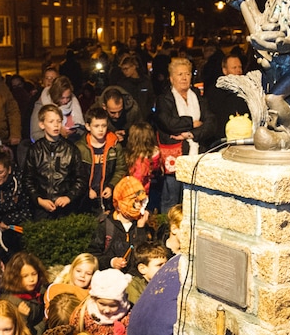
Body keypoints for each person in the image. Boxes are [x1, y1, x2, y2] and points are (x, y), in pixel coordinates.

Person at [154, 57, 216, 211]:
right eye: (180, 74)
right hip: (175, 156)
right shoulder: (164, 99)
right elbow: (168, 123)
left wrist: (190, 134)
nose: (184, 78)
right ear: (171, 78)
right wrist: (192, 123)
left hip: (198, 153)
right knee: (172, 199)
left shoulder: (198, 96)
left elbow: (211, 124)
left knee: (197, 199)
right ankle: (167, 226)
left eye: (187, 74)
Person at [24, 104, 83, 220]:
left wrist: (69, 197)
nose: (56, 125)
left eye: (59, 121)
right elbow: (27, 180)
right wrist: (39, 200)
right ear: (42, 124)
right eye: (51, 121)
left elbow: (81, 179)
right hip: (41, 209)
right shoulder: (35, 150)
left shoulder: (71, 149)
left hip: (66, 209)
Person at [89, 177, 153, 273]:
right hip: (110, 277)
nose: (139, 205)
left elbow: (145, 256)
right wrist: (111, 262)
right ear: (119, 205)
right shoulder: (106, 225)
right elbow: (93, 255)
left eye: (140, 201)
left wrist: (140, 229)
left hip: (134, 277)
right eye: (134, 202)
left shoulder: (143, 224)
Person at [76, 106, 125, 215]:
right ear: (88, 126)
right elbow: (76, 173)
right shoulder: (80, 148)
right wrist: (86, 189)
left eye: (104, 125)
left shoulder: (114, 146)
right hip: (85, 198)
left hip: (107, 196)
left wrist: (111, 186)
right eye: (96, 126)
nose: (101, 129)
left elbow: (120, 169)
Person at [0, 252, 48, 333]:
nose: (31, 279)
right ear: (15, 278)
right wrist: (21, 317)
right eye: (25, 276)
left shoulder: (41, 291)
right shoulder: (10, 302)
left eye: (34, 274)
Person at [28, 75, 85, 142]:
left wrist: (75, 131)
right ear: (55, 95)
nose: (65, 101)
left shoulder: (75, 104)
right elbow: (35, 135)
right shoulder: (41, 105)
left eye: (68, 97)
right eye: (62, 98)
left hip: (73, 143)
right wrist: (58, 133)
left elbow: (82, 129)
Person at [121, 121, 162, 196]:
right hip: (148, 189)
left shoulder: (137, 159)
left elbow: (138, 178)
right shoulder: (155, 153)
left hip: (134, 192)